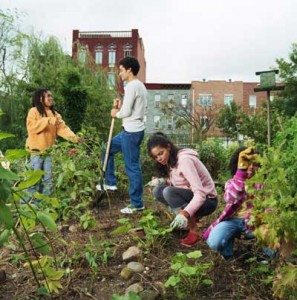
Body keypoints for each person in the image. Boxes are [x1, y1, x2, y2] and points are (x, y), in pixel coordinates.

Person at [147, 132, 218, 247]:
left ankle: (194, 230)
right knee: (158, 190)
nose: (159, 158)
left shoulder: (184, 161)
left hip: (208, 201)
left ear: (168, 147)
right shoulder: (170, 160)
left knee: (168, 192)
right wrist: (164, 181)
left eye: (161, 153)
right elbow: (182, 182)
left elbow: (200, 194)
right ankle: (187, 221)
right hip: (194, 198)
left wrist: (185, 212)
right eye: (155, 157)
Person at [96, 56, 147, 214]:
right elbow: (130, 107)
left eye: (121, 70)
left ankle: (137, 203)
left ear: (129, 69)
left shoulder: (131, 86)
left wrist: (115, 113)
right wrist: (120, 105)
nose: (119, 73)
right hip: (130, 131)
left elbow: (127, 112)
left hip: (131, 132)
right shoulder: (140, 86)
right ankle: (110, 182)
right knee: (107, 148)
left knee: (132, 167)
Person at [203, 146, 260, 260]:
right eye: (246, 163)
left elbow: (269, 207)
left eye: (255, 164)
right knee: (214, 242)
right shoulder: (231, 183)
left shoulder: (262, 184)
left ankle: (266, 255)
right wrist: (241, 173)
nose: (250, 167)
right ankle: (227, 253)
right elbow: (231, 198)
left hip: (254, 222)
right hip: (232, 220)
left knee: (267, 235)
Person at [25, 88, 81, 198]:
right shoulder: (34, 111)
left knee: (48, 180)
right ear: (40, 99)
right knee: (33, 180)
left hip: (48, 153)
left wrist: (75, 138)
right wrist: (48, 120)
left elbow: (63, 129)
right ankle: (28, 204)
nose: (51, 98)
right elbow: (31, 128)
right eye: (48, 96)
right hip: (35, 152)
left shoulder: (55, 115)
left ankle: (45, 204)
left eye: (51, 96)